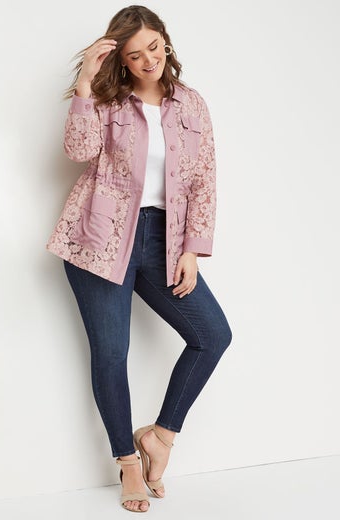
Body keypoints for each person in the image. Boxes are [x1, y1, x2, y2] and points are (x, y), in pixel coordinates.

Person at [47, 5, 232, 513]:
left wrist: (192, 249)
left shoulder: (191, 103)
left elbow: (204, 181)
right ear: (121, 61)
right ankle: (127, 461)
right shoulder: (108, 100)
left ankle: (161, 436)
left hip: (163, 241)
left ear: (165, 42)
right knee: (111, 354)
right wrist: (86, 82)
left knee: (212, 335)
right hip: (99, 239)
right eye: (135, 55)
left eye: (154, 47)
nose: (149, 60)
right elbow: (78, 150)